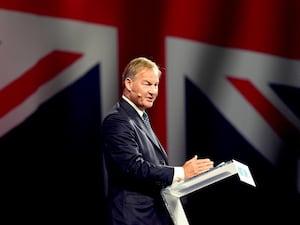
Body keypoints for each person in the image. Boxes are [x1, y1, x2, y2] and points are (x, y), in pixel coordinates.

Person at [101, 56, 214, 225]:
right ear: (129, 84)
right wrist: (180, 172)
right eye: (147, 84)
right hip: (133, 218)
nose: (153, 91)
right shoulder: (118, 120)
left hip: (151, 216)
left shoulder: (139, 118)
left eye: (156, 85)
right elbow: (133, 167)